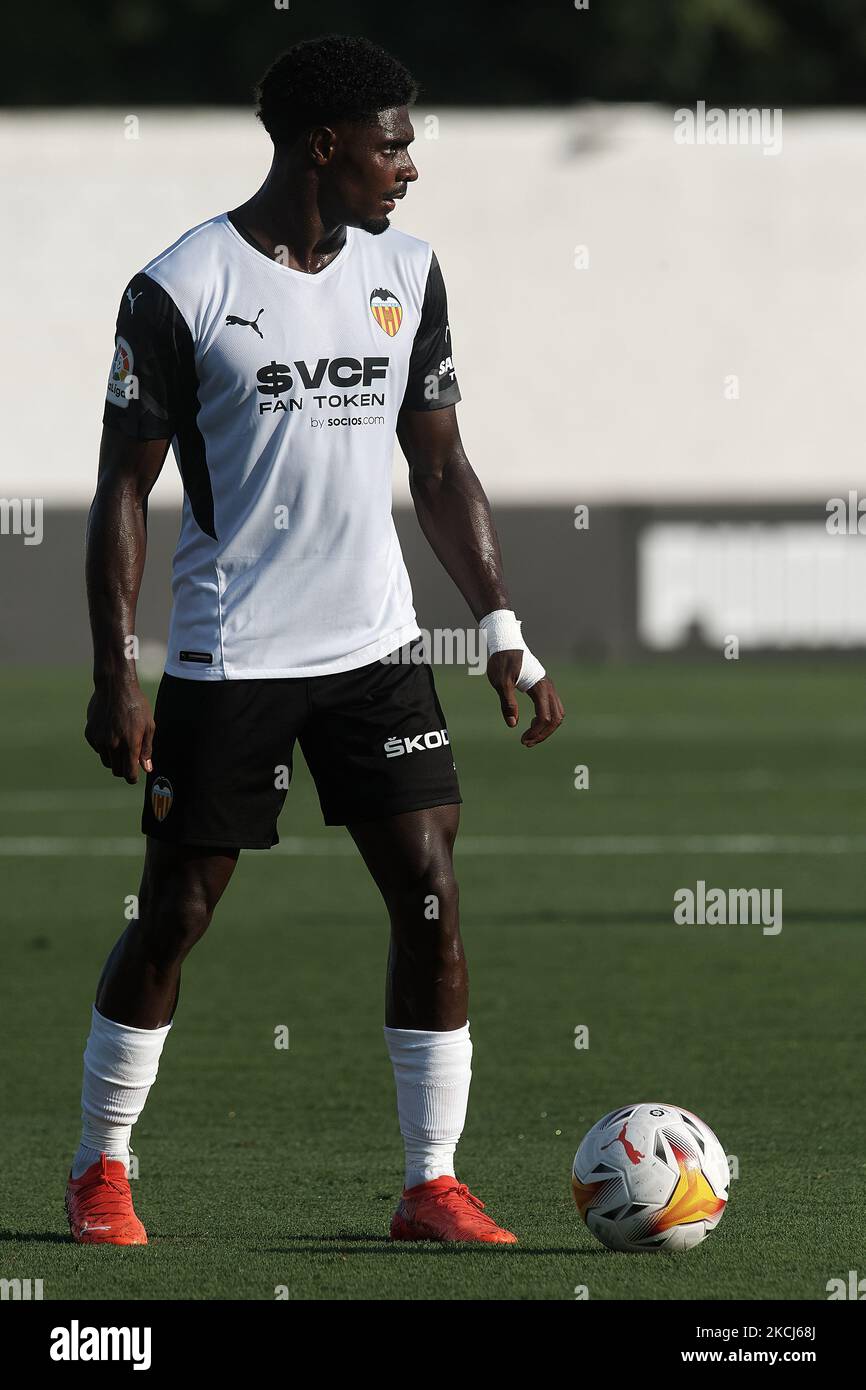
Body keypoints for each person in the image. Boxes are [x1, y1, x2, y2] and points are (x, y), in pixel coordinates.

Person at [70, 33, 564, 1249]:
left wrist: (498, 624)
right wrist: (114, 669)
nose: (409, 165)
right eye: (392, 141)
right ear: (322, 144)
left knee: (430, 895)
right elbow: (122, 491)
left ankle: (429, 1182)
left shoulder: (407, 269)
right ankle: (100, 1166)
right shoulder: (179, 287)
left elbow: (438, 462)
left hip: (376, 652)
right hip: (232, 658)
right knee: (178, 908)